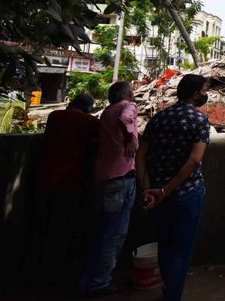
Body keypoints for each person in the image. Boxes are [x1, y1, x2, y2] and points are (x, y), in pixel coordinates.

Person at [137, 74, 211, 301]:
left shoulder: (158, 118)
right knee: (181, 250)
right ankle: (172, 296)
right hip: (186, 194)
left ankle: (168, 289)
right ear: (195, 93)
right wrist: (165, 190)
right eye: (204, 90)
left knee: (165, 246)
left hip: (157, 195)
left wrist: (148, 189)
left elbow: (141, 155)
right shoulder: (199, 120)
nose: (205, 94)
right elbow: (194, 160)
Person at [31, 94, 100, 292]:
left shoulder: (54, 116)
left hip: (43, 178)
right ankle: (59, 278)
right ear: (87, 107)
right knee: (65, 229)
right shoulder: (89, 121)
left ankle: (40, 275)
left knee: (44, 228)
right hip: (70, 181)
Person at [78, 82, 138, 297]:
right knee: (113, 235)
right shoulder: (128, 106)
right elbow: (126, 118)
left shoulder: (106, 111)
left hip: (104, 178)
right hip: (121, 179)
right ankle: (99, 284)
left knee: (101, 232)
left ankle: (88, 281)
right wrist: (131, 136)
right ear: (129, 94)